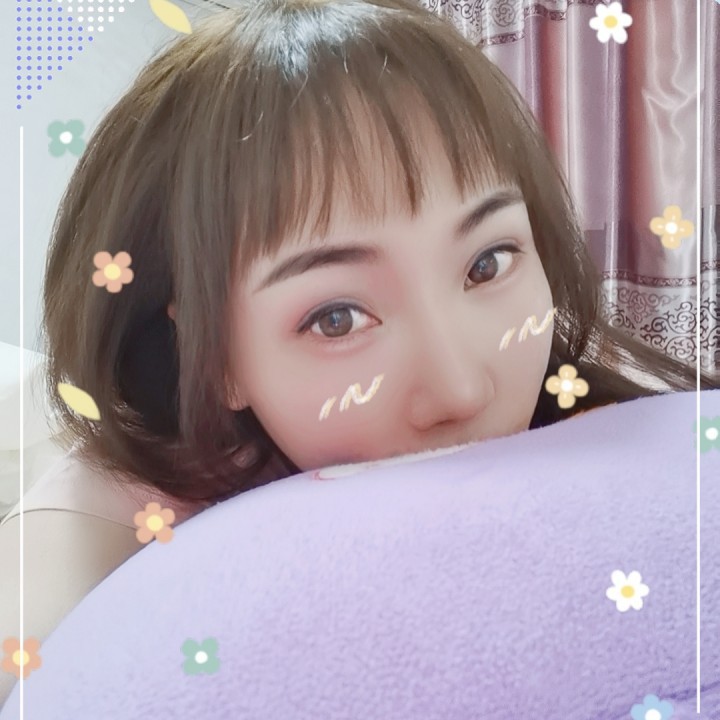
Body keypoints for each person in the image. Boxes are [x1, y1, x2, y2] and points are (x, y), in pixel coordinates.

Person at [0, 0, 714, 705]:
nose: (461, 389)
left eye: (487, 263)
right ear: (212, 357)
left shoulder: (609, 409)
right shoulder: (145, 497)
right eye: (336, 318)